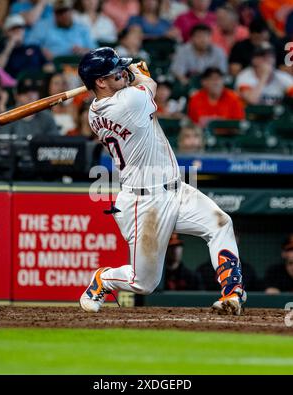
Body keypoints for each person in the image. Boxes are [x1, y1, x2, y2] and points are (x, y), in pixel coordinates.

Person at [77, 46, 247, 315]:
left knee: (221, 223)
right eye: (115, 72)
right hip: (144, 202)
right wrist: (138, 74)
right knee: (143, 283)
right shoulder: (126, 102)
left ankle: (232, 294)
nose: (121, 72)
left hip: (175, 188)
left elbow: (133, 86)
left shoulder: (94, 111)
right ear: (100, 81)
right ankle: (103, 279)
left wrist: (127, 75)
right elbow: (150, 84)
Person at [25, 0, 96, 60]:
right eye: (60, 12)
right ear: (54, 14)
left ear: (71, 11)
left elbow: (95, 52)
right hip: (53, 65)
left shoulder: (82, 28)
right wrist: (41, 51)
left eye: (66, 11)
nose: (64, 15)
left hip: (78, 64)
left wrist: (83, 51)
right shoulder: (43, 26)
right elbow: (30, 46)